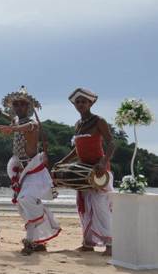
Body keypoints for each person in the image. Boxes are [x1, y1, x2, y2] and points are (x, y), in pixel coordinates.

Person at [0, 86, 61, 255]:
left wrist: (12, 129)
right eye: (16, 105)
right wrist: (0, 112)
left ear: (28, 107)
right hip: (20, 170)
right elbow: (14, 120)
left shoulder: (32, 123)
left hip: (33, 168)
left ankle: (30, 242)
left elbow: (28, 127)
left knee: (25, 199)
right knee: (24, 205)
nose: (19, 107)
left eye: (23, 104)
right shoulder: (16, 120)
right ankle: (37, 242)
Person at [57, 88, 114, 256]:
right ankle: (88, 243)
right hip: (83, 172)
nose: (80, 104)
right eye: (78, 102)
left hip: (99, 172)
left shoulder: (99, 121)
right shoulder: (78, 124)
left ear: (91, 103)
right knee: (84, 208)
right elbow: (77, 149)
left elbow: (111, 143)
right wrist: (63, 161)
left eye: (84, 101)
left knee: (100, 207)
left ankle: (110, 244)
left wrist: (103, 162)